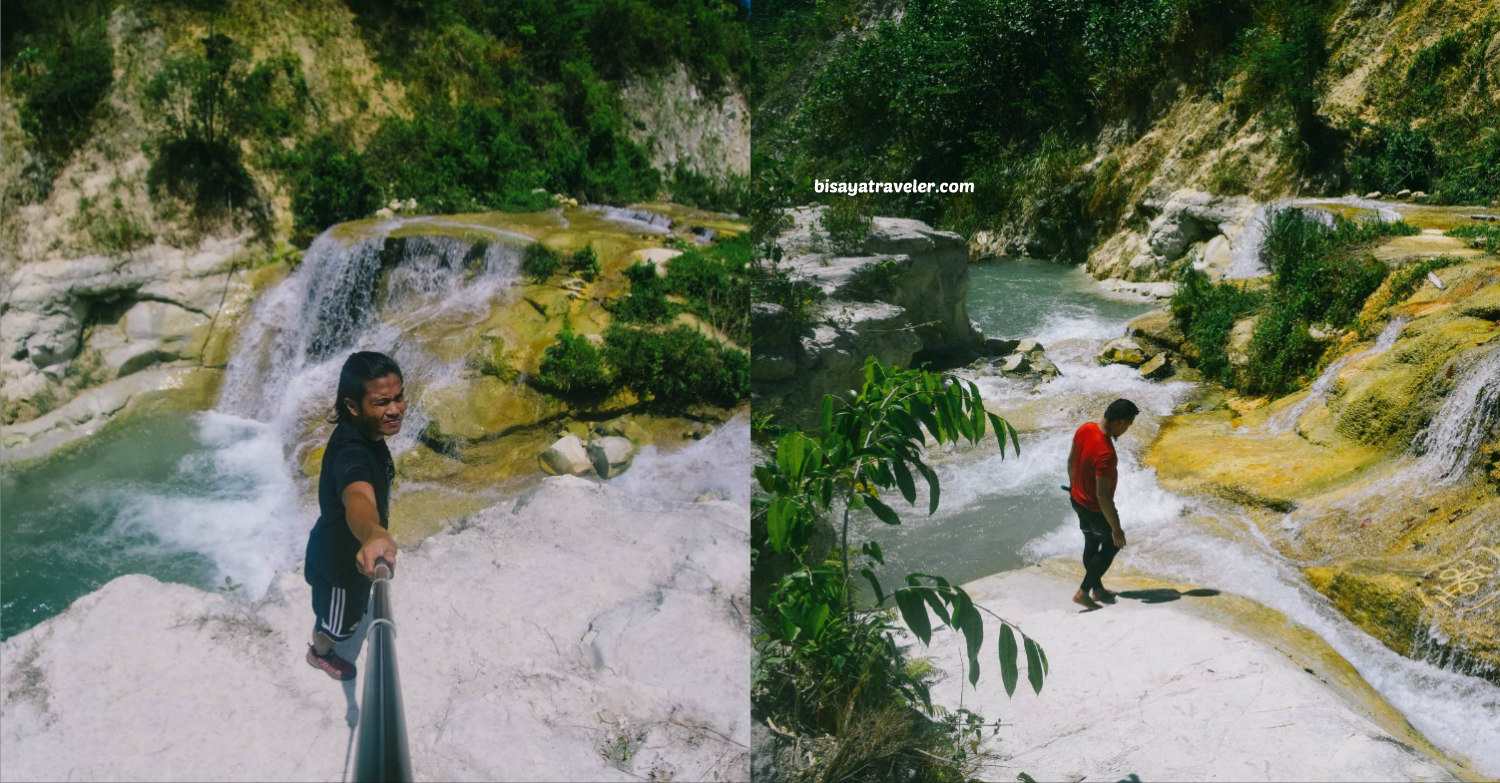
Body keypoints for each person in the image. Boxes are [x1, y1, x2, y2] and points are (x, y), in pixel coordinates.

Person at [304, 351, 406, 680]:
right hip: (338, 569)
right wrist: (374, 532)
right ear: (352, 406)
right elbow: (357, 494)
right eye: (381, 402)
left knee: (354, 609)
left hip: (352, 551)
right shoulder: (352, 450)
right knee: (337, 623)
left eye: (398, 397)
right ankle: (320, 652)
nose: (395, 409)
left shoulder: (367, 433)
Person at [1066, 398, 1138, 610]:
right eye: (1129, 425)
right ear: (1121, 422)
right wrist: (1116, 529)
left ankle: (1097, 591)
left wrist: (1073, 487)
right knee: (1111, 545)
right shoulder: (1106, 453)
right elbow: (1103, 496)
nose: (1126, 431)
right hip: (1095, 509)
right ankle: (1083, 592)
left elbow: (1070, 461)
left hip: (1077, 499)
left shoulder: (1085, 429)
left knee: (1091, 542)